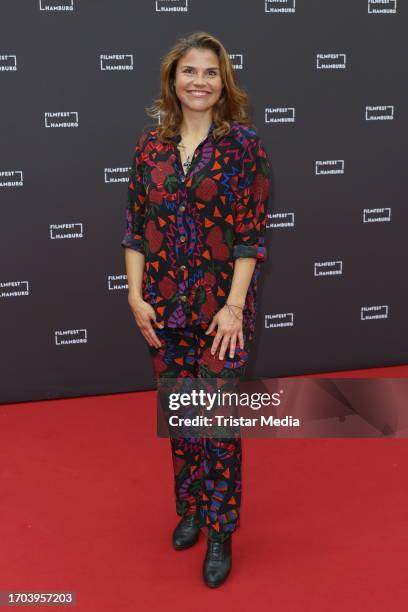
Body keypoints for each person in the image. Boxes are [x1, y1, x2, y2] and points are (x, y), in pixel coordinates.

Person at [121, 31, 271, 588]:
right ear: (173, 80)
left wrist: (233, 308)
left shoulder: (243, 146)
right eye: (189, 71)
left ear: (223, 82)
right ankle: (190, 509)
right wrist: (135, 297)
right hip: (162, 306)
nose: (199, 81)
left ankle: (221, 530)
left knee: (216, 425)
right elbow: (134, 228)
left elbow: (250, 237)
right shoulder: (148, 147)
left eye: (210, 72)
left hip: (219, 313)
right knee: (182, 418)